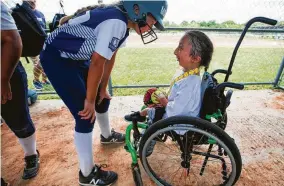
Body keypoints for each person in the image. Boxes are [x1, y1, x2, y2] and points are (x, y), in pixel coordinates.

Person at [39, 0, 168, 185]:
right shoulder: (117, 21)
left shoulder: (123, 23)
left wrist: (102, 88)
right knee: (85, 114)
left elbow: (110, 55)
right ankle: (87, 174)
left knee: (102, 98)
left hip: (75, 56)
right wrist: (89, 100)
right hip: (57, 57)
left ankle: (106, 136)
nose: (152, 26)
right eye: (152, 19)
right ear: (137, 8)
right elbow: (98, 61)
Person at [125, 31, 214, 125]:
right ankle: (142, 115)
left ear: (195, 59)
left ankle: (144, 124)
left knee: (150, 110)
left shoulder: (190, 84)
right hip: (176, 114)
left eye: (180, 48)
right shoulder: (188, 76)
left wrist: (163, 100)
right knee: (151, 107)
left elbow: (176, 112)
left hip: (178, 123)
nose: (175, 52)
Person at [1, 1, 40, 182]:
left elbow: (12, 40)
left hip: (5, 70)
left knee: (19, 120)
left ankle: (31, 154)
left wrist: (3, 80)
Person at [22, 0, 50, 90]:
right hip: (31, 43)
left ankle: (44, 80)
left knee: (45, 61)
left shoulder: (40, 14)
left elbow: (44, 27)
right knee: (38, 63)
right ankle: (36, 80)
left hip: (42, 42)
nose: (33, 1)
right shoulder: (23, 13)